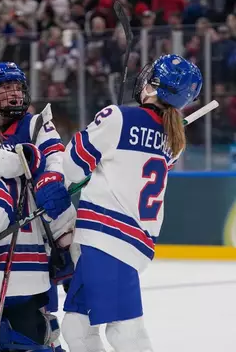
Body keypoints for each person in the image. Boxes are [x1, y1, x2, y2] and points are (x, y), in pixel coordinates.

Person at [60, 54, 202, 352]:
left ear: (152, 87)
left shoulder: (117, 116)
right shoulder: (172, 141)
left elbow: (71, 169)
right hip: (129, 240)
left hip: (108, 237)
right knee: (76, 325)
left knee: (126, 333)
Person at [0, 61, 76, 350]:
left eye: (17, 87)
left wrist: (51, 177)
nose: (14, 94)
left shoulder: (35, 124)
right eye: (5, 87)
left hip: (26, 257)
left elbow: (54, 152)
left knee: (30, 337)